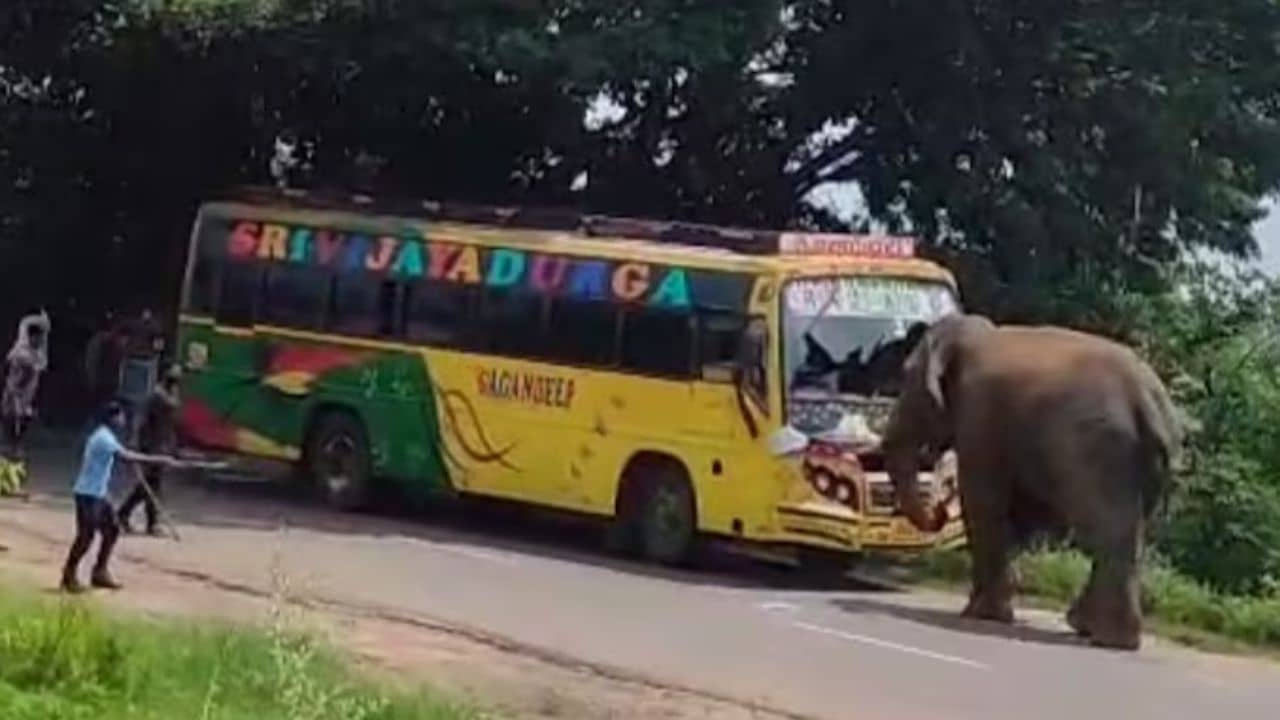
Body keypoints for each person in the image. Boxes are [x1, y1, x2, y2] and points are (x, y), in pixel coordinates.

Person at [60, 400, 179, 593]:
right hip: (88, 495)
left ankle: (100, 571)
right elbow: (126, 457)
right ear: (113, 418)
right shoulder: (103, 438)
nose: (124, 420)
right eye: (121, 416)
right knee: (85, 538)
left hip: (99, 493)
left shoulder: (106, 435)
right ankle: (68, 575)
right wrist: (159, 459)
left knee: (112, 529)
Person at [118, 364, 182, 536]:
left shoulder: (170, 394)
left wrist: (172, 447)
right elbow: (142, 421)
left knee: (150, 485)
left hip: (162, 445)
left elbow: (171, 424)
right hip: (152, 446)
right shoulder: (157, 396)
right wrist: (135, 443)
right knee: (152, 485)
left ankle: (126, 514)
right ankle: (149, 522)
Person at [3, 310, 51, 462]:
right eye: (39, 337)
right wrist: (17, 403)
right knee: (14, 427)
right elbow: (14, 382)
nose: (41, 341)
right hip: (15, 398)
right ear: (32, 337)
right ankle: (13, 451)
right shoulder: (22, 355)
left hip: (26, 397)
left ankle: (15, 450)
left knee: (21, 427)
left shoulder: (34, 352)